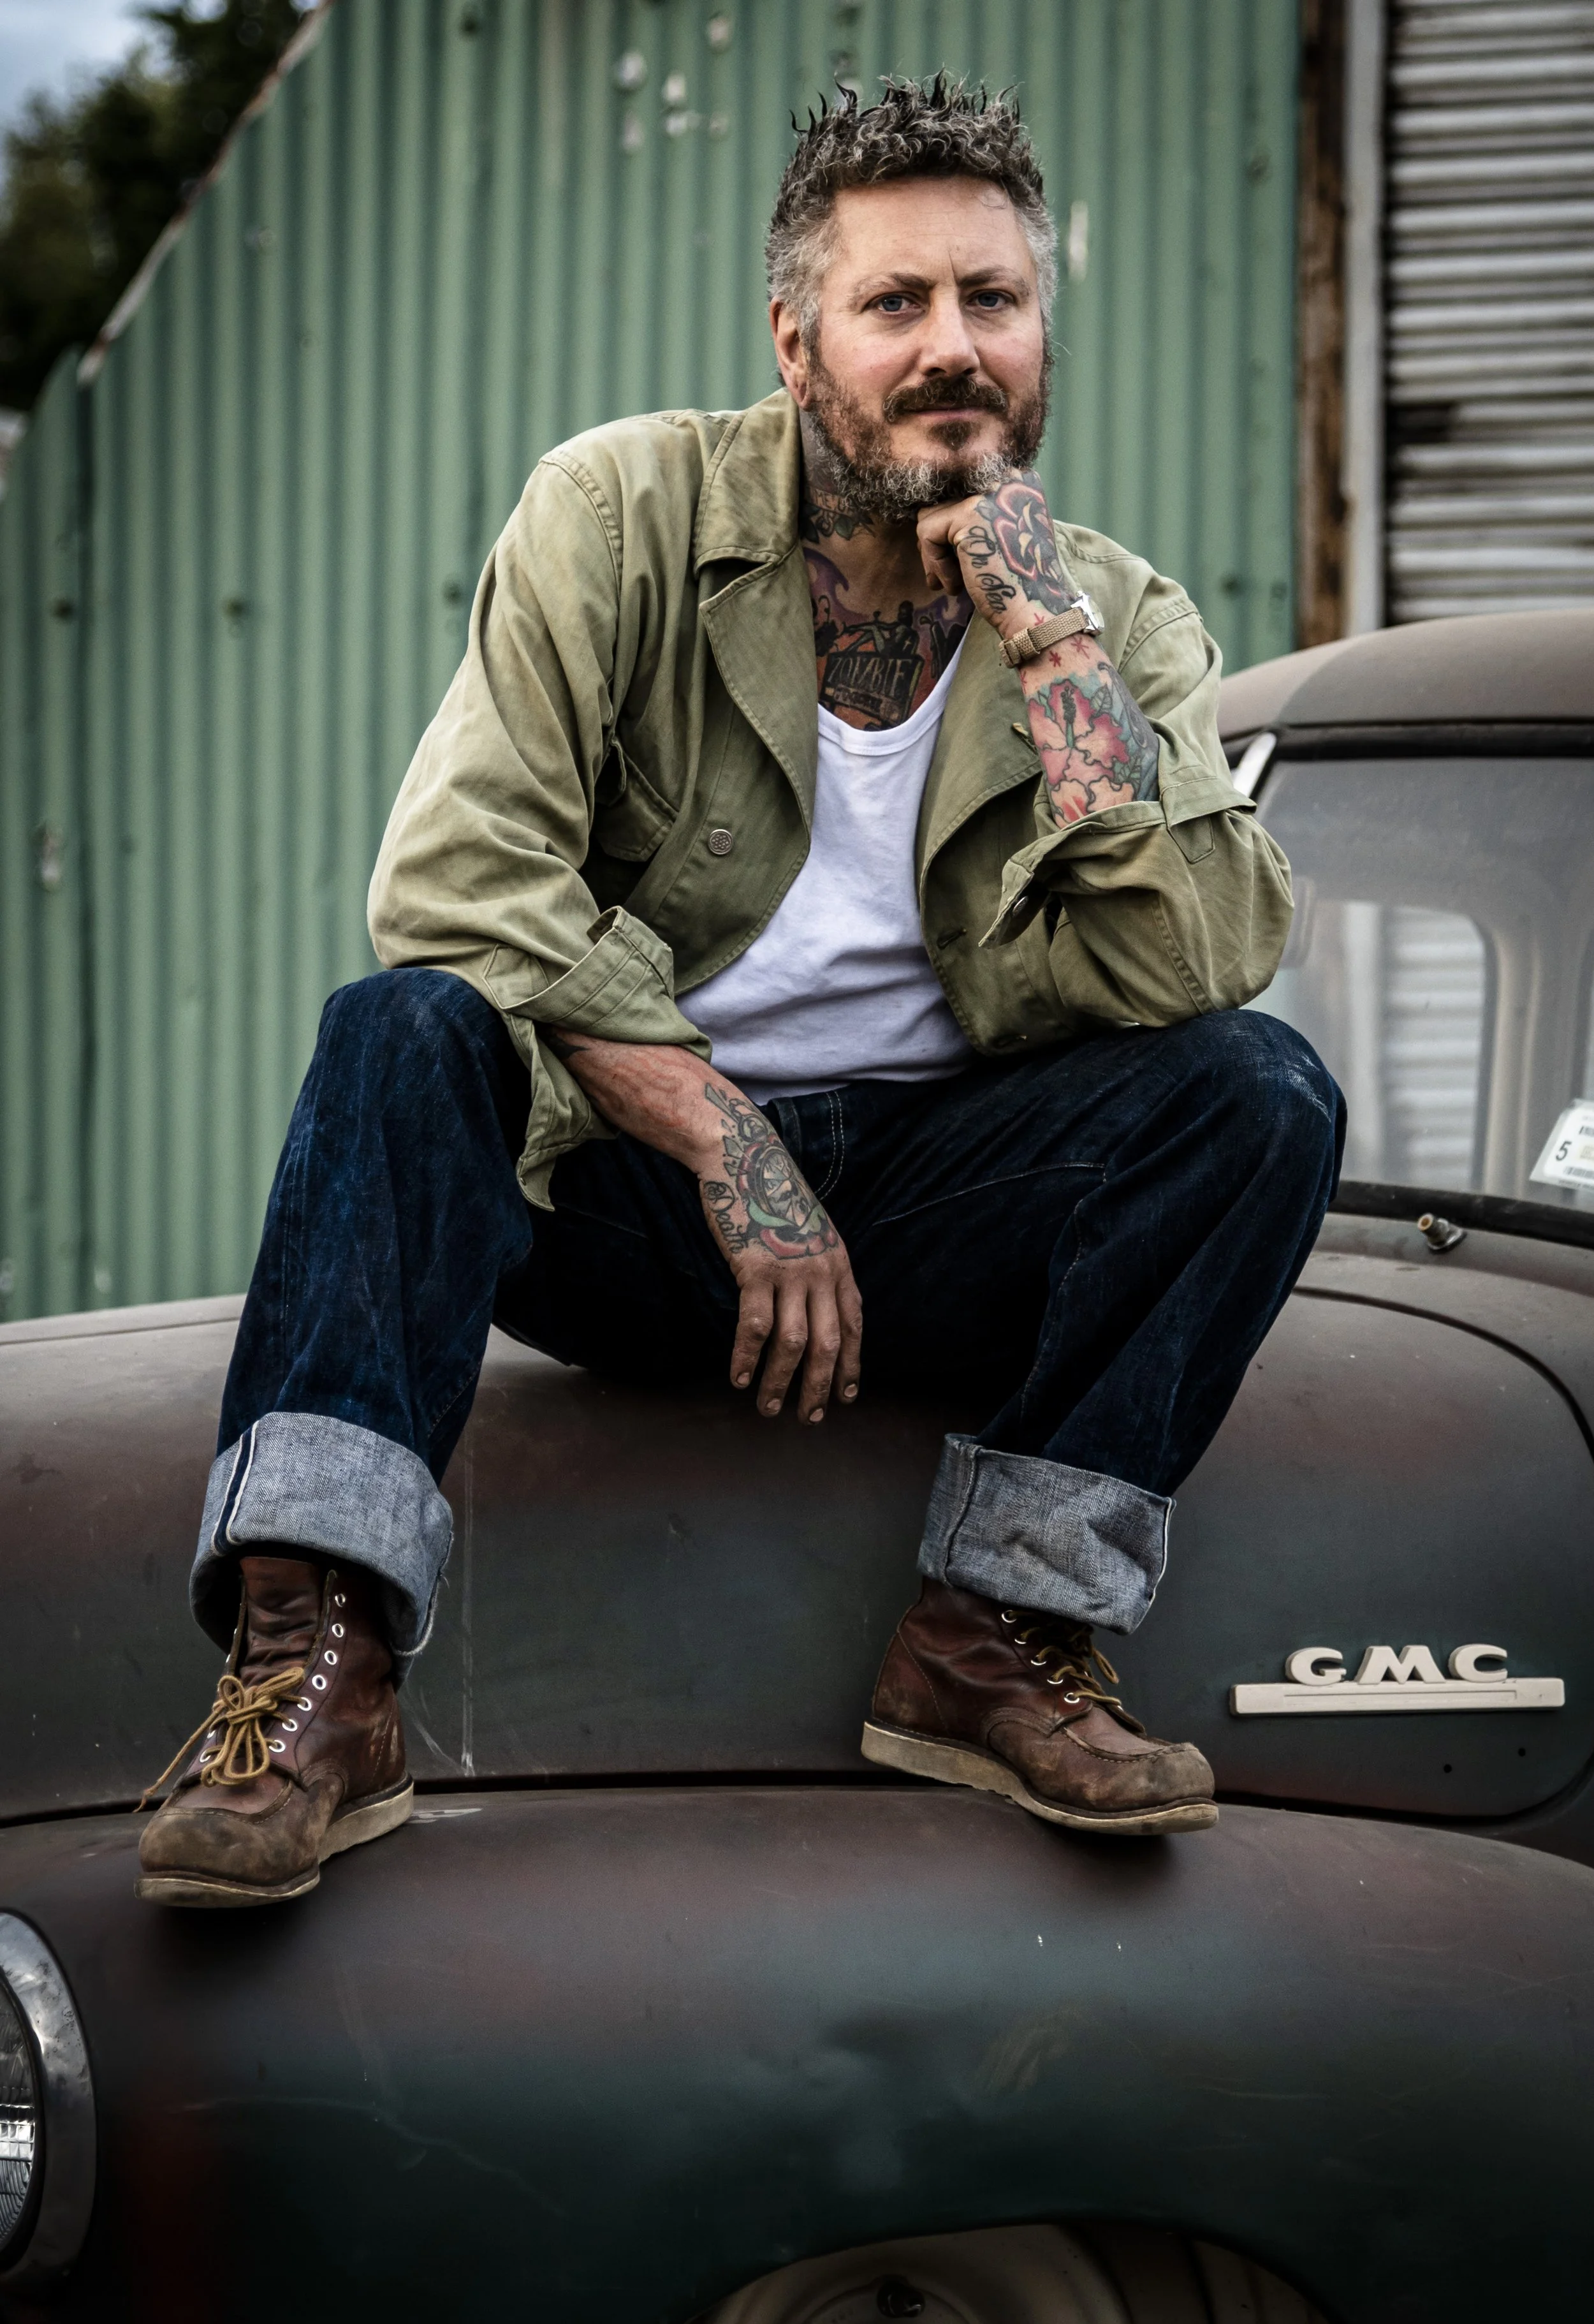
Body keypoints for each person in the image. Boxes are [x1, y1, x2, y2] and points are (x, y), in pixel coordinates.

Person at [136, 77, 1342, 1908]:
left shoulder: (1112, 616)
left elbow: (1187, 961)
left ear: (1040, 334)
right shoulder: (617, 513)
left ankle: (993, 1634)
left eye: (993, 302)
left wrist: (1046, 641)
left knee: (1259, 1091)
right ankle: (315, 1675)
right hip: (629, 1207)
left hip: (940, 1213)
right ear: (797, 342)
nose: (954, 350)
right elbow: (451, 880)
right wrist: (722, 1139)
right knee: (400, 1030)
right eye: (896, 305)